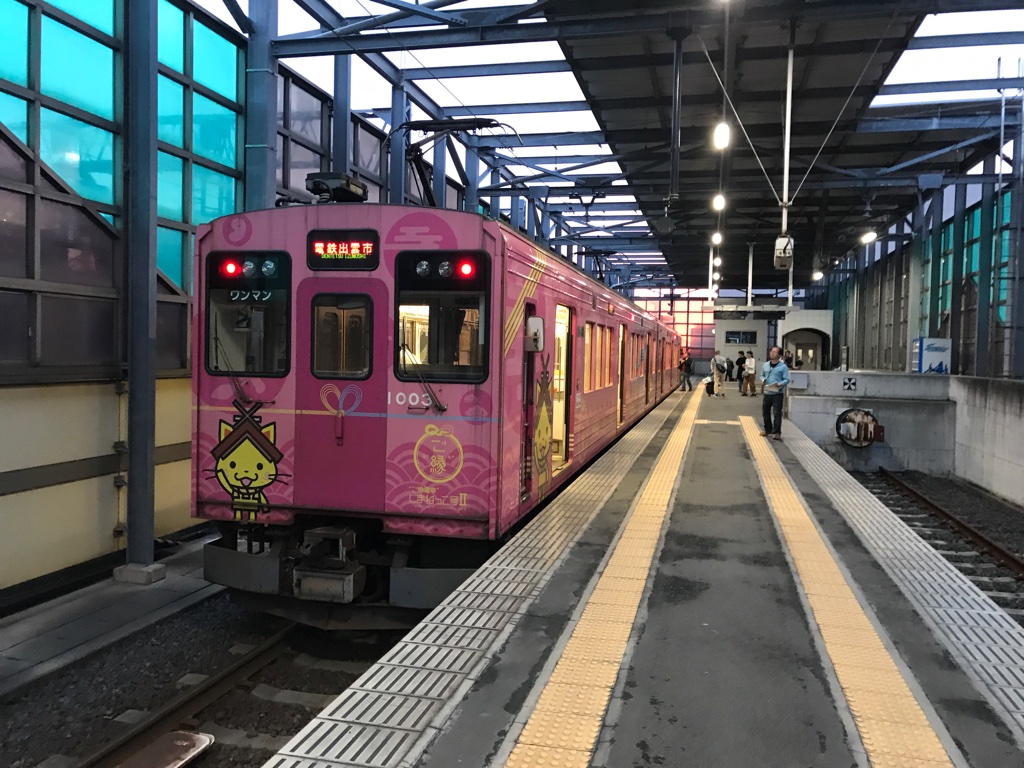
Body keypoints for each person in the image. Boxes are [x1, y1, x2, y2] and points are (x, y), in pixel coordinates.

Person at [760, 346, 790, 439]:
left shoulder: (783, 367)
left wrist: (780, 384)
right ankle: (768, 429)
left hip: (777, 393)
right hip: (767, 392)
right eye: (771, 351)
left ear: (779, 355)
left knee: (777, 413)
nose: (772, 353)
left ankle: (777, 432)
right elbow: (761, 375)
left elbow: (787, 379)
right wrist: (763, 380)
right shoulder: (766, 365)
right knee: (765, 412)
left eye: (774, 352)